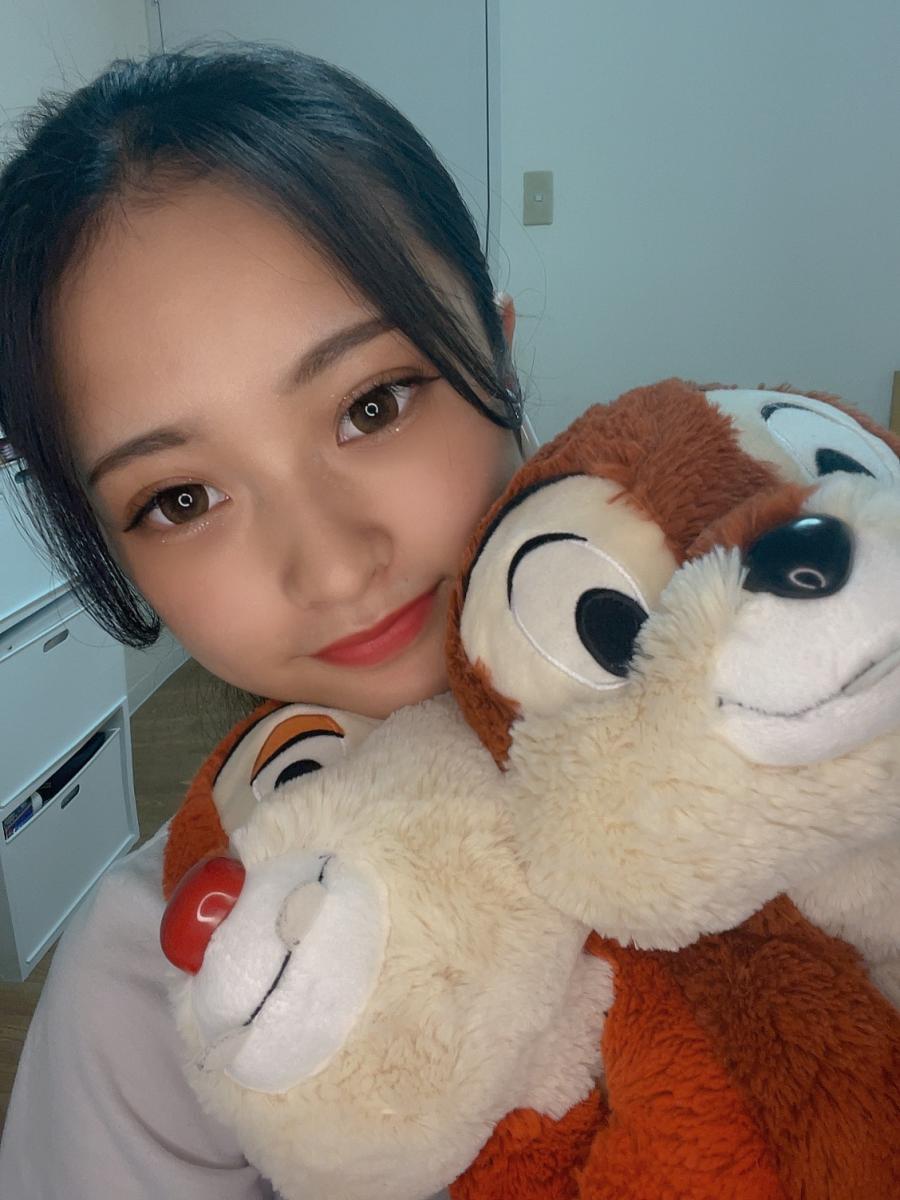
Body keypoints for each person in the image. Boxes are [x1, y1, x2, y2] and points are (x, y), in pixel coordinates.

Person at [0, 47, 532, 1198]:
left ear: (498, 350)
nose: (332, 567)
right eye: (182, 499)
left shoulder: (795, 695)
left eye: (372, 405)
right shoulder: (157, 981)